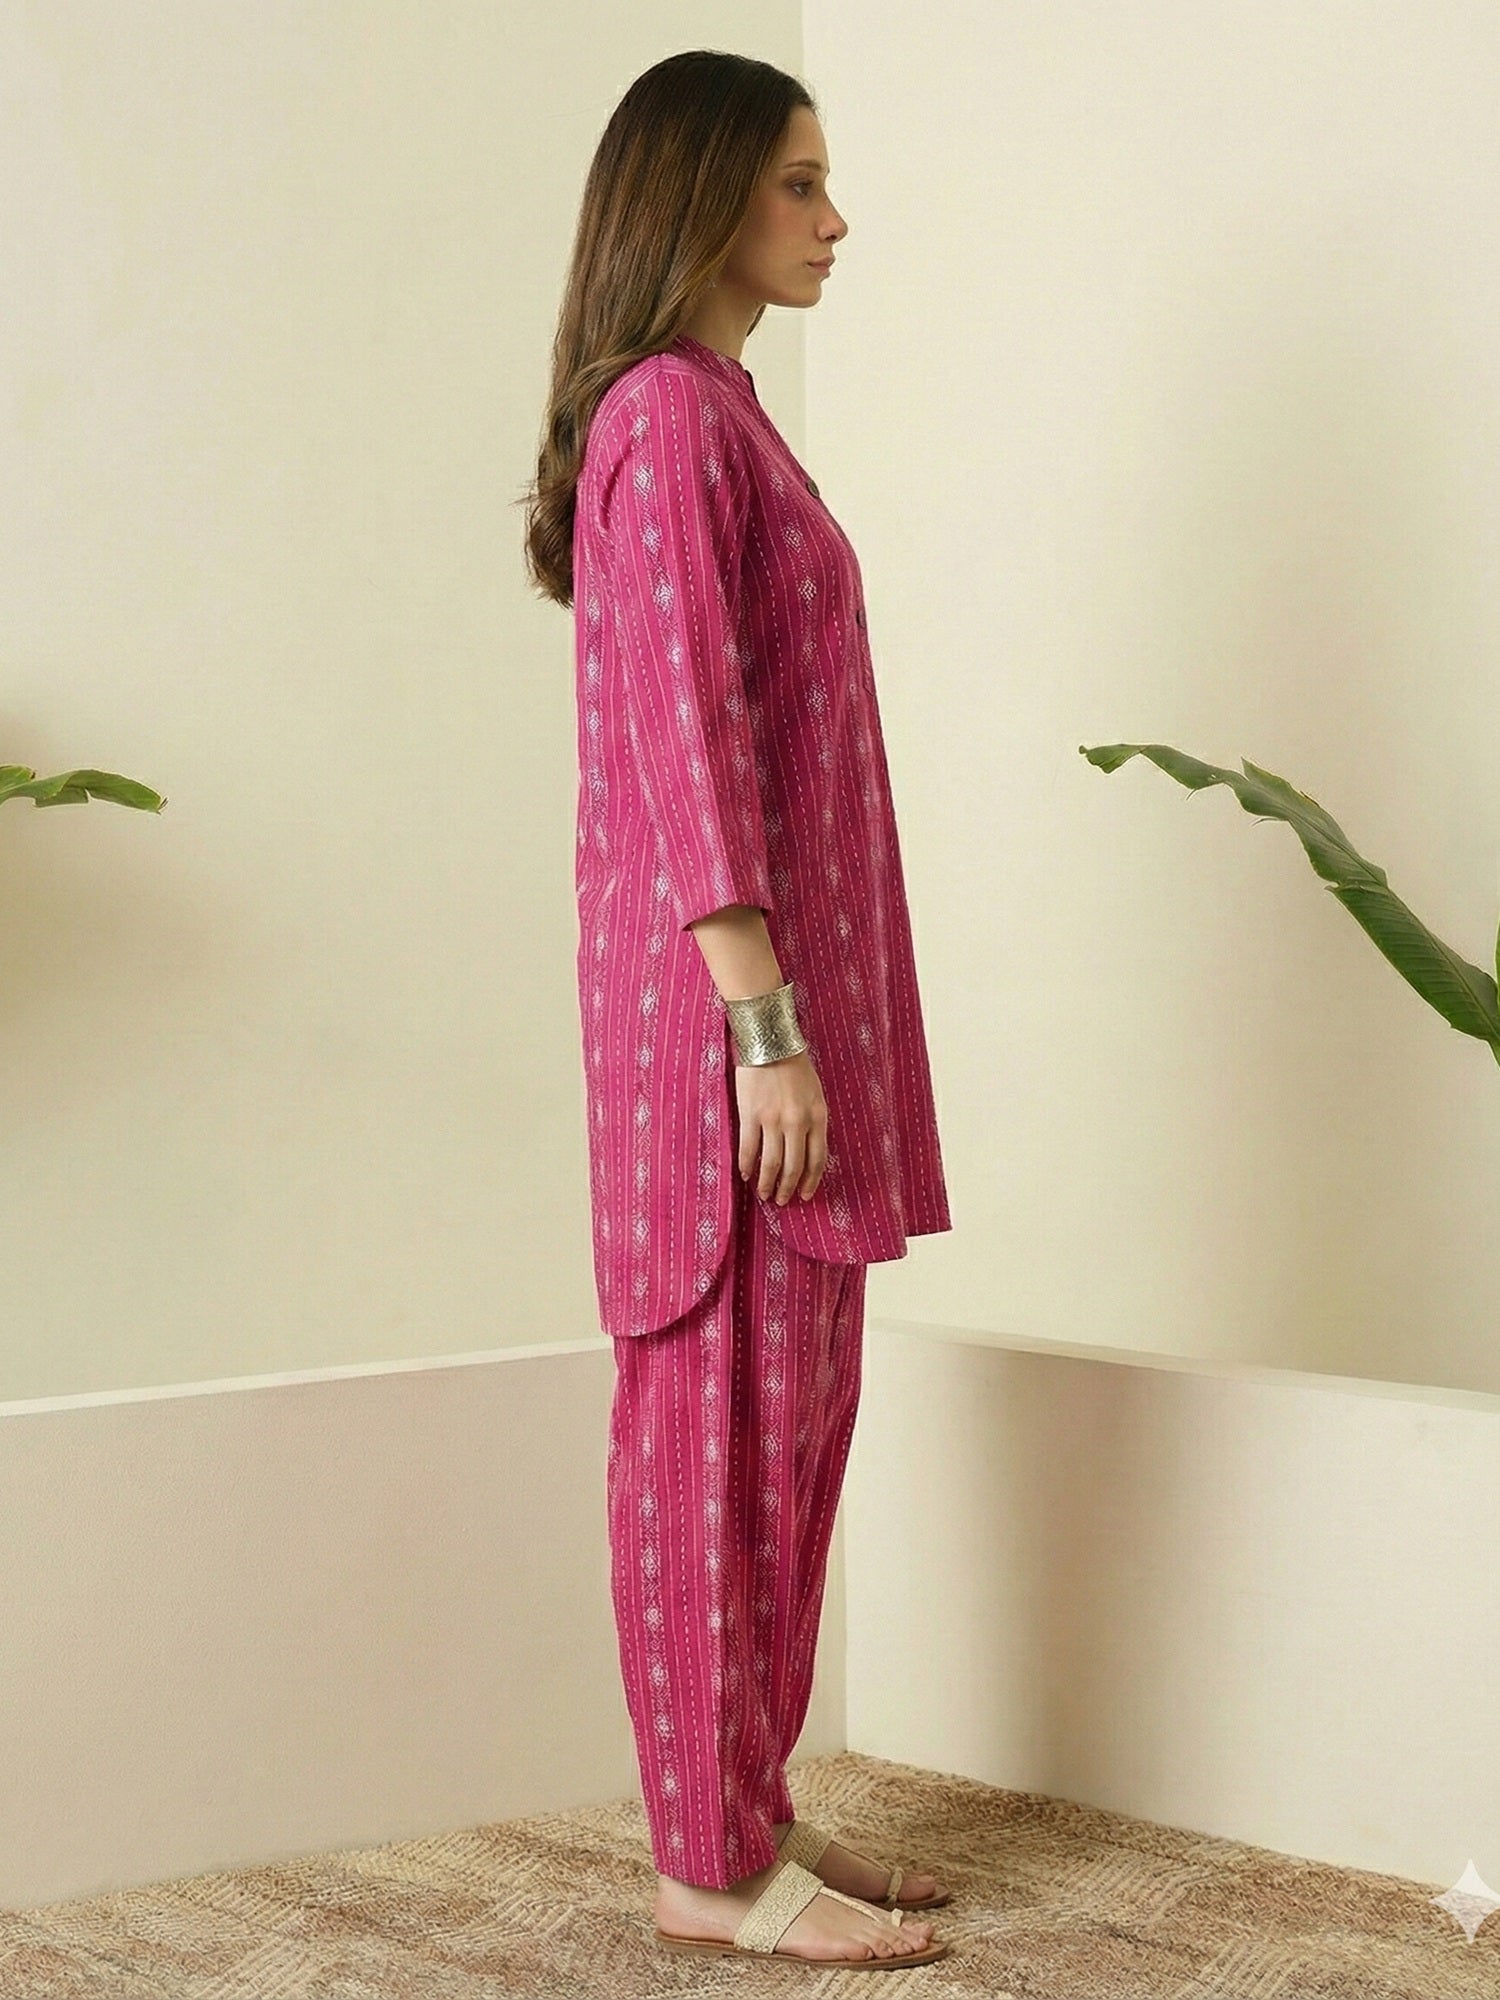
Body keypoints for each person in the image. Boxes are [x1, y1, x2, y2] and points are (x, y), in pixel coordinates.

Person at [522, 50, 955, 1970]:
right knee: (714, 1441)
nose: (834, 219)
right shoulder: (666, 422)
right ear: (697, 196)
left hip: (790, 1019)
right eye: (798, 182)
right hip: (730, 1040)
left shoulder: (722, 415)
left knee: (789, 1434)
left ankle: (749, 1808)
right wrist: (764, 1032)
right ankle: (705, 1868)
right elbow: (685, 742)